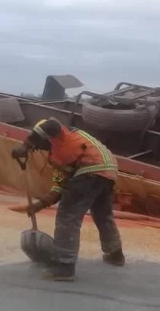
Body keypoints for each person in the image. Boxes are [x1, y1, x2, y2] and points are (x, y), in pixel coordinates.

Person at [11, 117, 125, 281]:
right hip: (108, 172)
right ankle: (115, 254)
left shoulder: (62, 134)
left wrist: (25, 145)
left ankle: (64, 267)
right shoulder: (58, 156)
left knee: (67, 216)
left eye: (38, 144)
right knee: (102, 215)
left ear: (44, 137)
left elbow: (50, 123)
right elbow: (61, 185)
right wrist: (40, 205)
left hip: (90, 169)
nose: (39, 148)